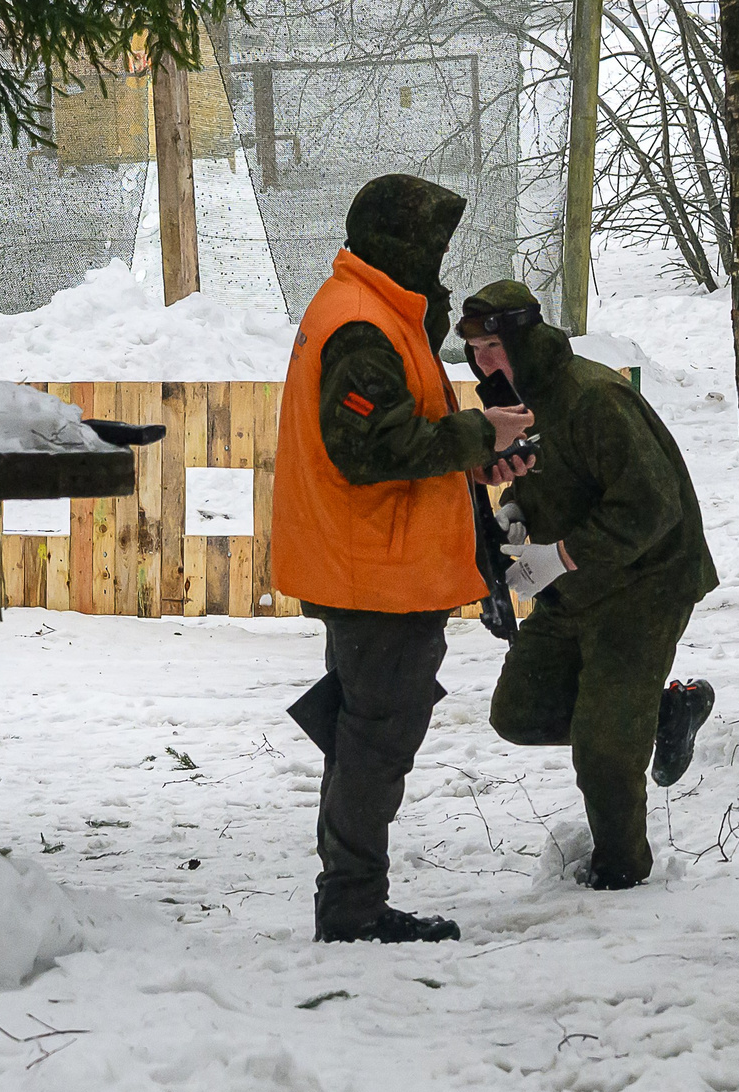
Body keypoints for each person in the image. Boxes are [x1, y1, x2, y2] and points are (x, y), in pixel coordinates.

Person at [273, 175, 536, 944]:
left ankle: (350, 898)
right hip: (376, 574)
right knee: (376, 738)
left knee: (369, 728)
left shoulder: (379, 312)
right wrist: (475, 436)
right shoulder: (362, 323)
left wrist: (476, 459)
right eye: (432, 242)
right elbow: (370, 450)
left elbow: (400, 435)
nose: (440, 256)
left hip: (378, 565)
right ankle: (352, 909)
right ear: (401, 243)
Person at [457, 280, 718, 892]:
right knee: (519, 712)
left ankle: (620, 874)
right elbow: (556, 479)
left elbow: (653, 507)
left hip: (645, 583)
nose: (482, 360)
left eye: (493, 345)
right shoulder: (519, 401)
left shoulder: (594, 397)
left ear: (522, 338)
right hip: (571, 585)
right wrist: (516, 514)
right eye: (474, 349)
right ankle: (659, 713)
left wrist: (563, 556)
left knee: (603, 752)